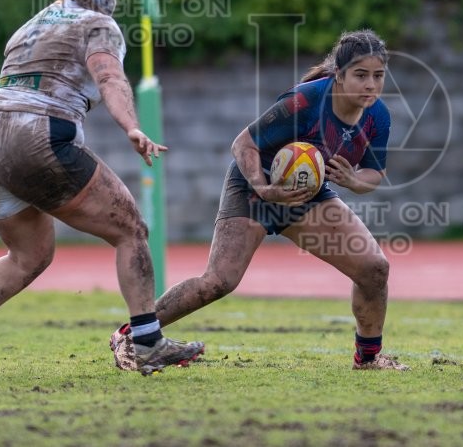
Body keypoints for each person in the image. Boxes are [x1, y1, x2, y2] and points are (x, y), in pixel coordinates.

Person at [0, 0, 204, 379]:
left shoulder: (30, 25)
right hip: (35, 136)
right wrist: (131, 126)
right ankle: (147, 343)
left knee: (28, 254)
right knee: (130, 230)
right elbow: (109, 77)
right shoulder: (98, 24)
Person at [110, 29, 409, 370]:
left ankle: (368, 358)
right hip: (253, 187)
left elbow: (374, 174)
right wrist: (263, 186)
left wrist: (354, 180)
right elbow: (243, 144)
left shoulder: (378, 116)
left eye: (378, 76)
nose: (371, 85)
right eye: (360, 75)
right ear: (338, 75)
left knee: (373, 269)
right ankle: (130, 337)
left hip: (305, 195)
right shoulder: (306, 102)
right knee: (219, 281)